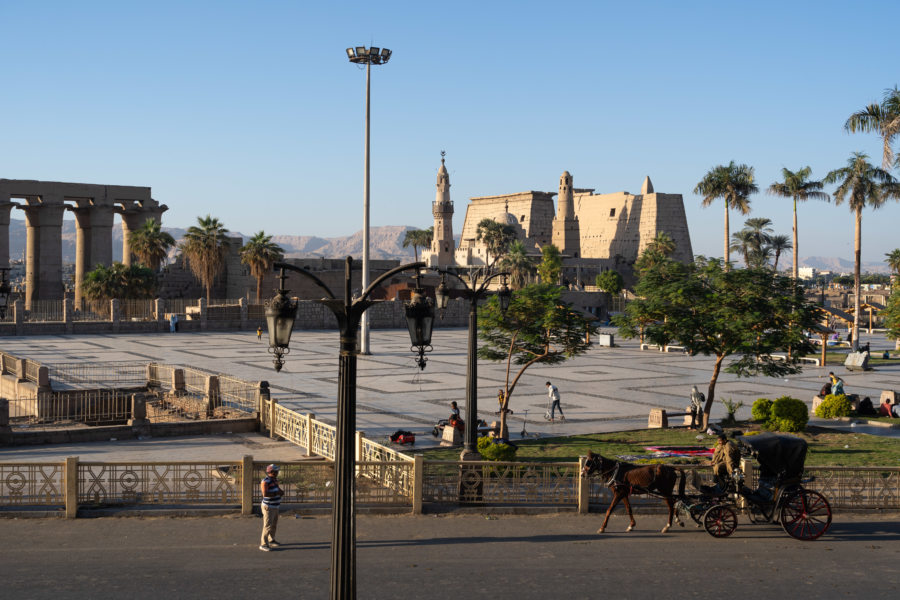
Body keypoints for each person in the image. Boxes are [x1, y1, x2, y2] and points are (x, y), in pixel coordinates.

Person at [259, 464, 284, 551]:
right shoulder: (265, 481)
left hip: (275, 506)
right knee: (267, 526)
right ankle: (263, 544)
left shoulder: (274, 480)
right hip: (268, 507)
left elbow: (277, 489)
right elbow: (265, 494)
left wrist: (281, 492)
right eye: (276, 471)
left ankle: (271, 539)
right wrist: (276, 494)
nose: (277, 473)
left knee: (273, 524)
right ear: (271, 472)